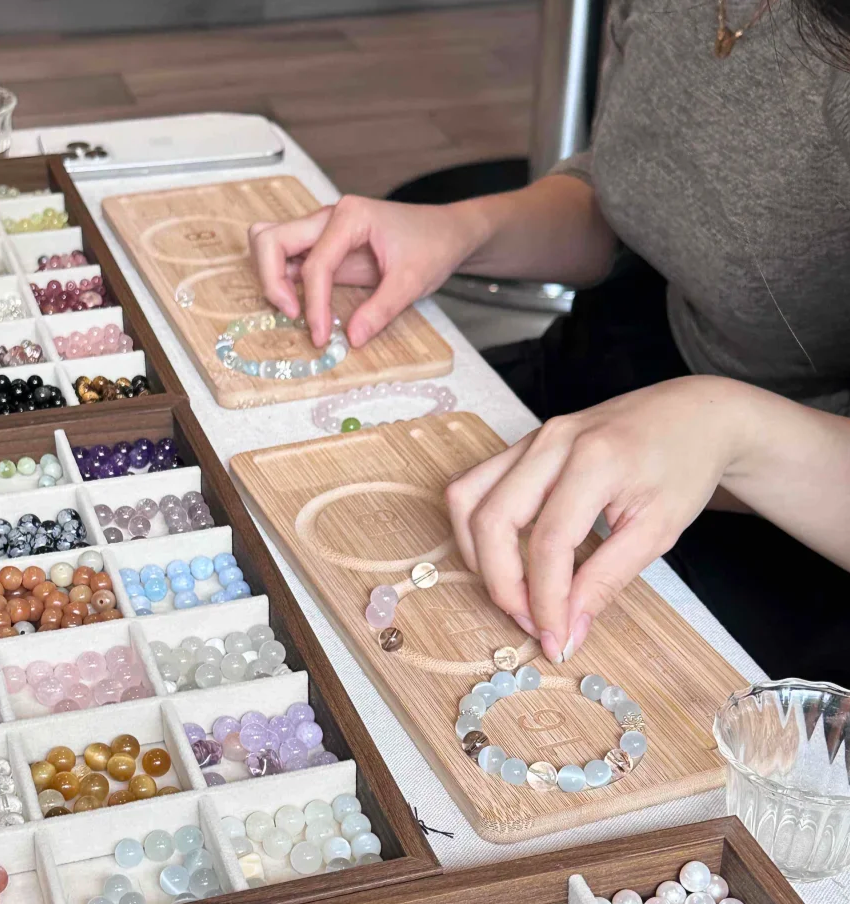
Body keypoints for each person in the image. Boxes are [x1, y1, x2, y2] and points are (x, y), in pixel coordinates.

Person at [249, 0, 850, 684]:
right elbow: (637, 198)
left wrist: (733, 432)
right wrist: (464, 230)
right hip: (621, 364)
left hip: (800, 531)